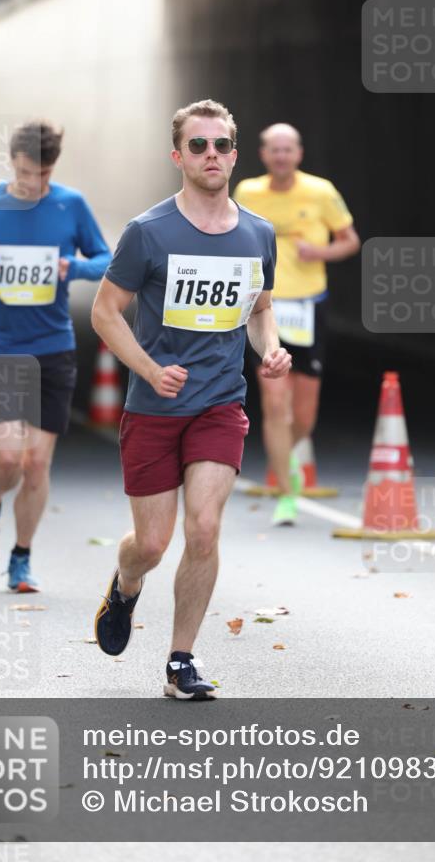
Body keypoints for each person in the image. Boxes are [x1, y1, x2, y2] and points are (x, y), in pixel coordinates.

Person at [91, 98, 290, 700]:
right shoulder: (148, 233)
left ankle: (181, 660)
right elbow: (105, 312)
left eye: (221, 145)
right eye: (198, 146)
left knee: (203, 529)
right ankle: (125, 586)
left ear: (235, 153)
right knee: (150, 544)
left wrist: (271, 349)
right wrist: (149, 370)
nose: (211, 155)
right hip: (154, 408)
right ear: (178, 155)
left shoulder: (258, 233)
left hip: (219, 402)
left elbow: (260, 311)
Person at [0, 121, 111, 592]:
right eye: (25, 173)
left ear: (52, 168)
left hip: (53, 347)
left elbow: (104, 256)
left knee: (36, 464)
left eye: (42, 175)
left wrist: (74, 267)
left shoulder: (70, 204)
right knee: (8, 458)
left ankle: (20, 558)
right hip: (1, 345)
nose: (33, 184)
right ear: (11, 162)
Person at [234, 123, 360, 526]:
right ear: (264, 154)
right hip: (264, 306)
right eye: (275, 149)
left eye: (288, 149)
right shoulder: (248, 193)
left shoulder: (321, 192)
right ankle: (287, 496)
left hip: (308, 307)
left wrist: (318, 250)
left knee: (303, 414)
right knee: (274, 402)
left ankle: (287, 457)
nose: (282, 156)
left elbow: (351, 240)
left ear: (299, 154)